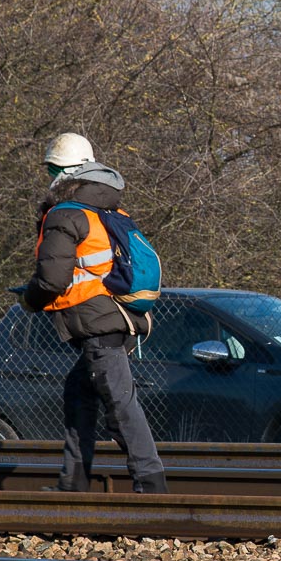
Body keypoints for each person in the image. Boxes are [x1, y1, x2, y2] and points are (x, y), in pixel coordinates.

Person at [22, 133, 168, 494]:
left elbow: (52, 279)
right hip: (119, 314)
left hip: (98, 323)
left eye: (52, 170)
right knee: (80, 392)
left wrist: (29, 299)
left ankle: (151, 485)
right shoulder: (111, 210)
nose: (50, 177)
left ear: (65, 172)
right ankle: (73, 482)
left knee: (120, 405)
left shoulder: (65, 214)